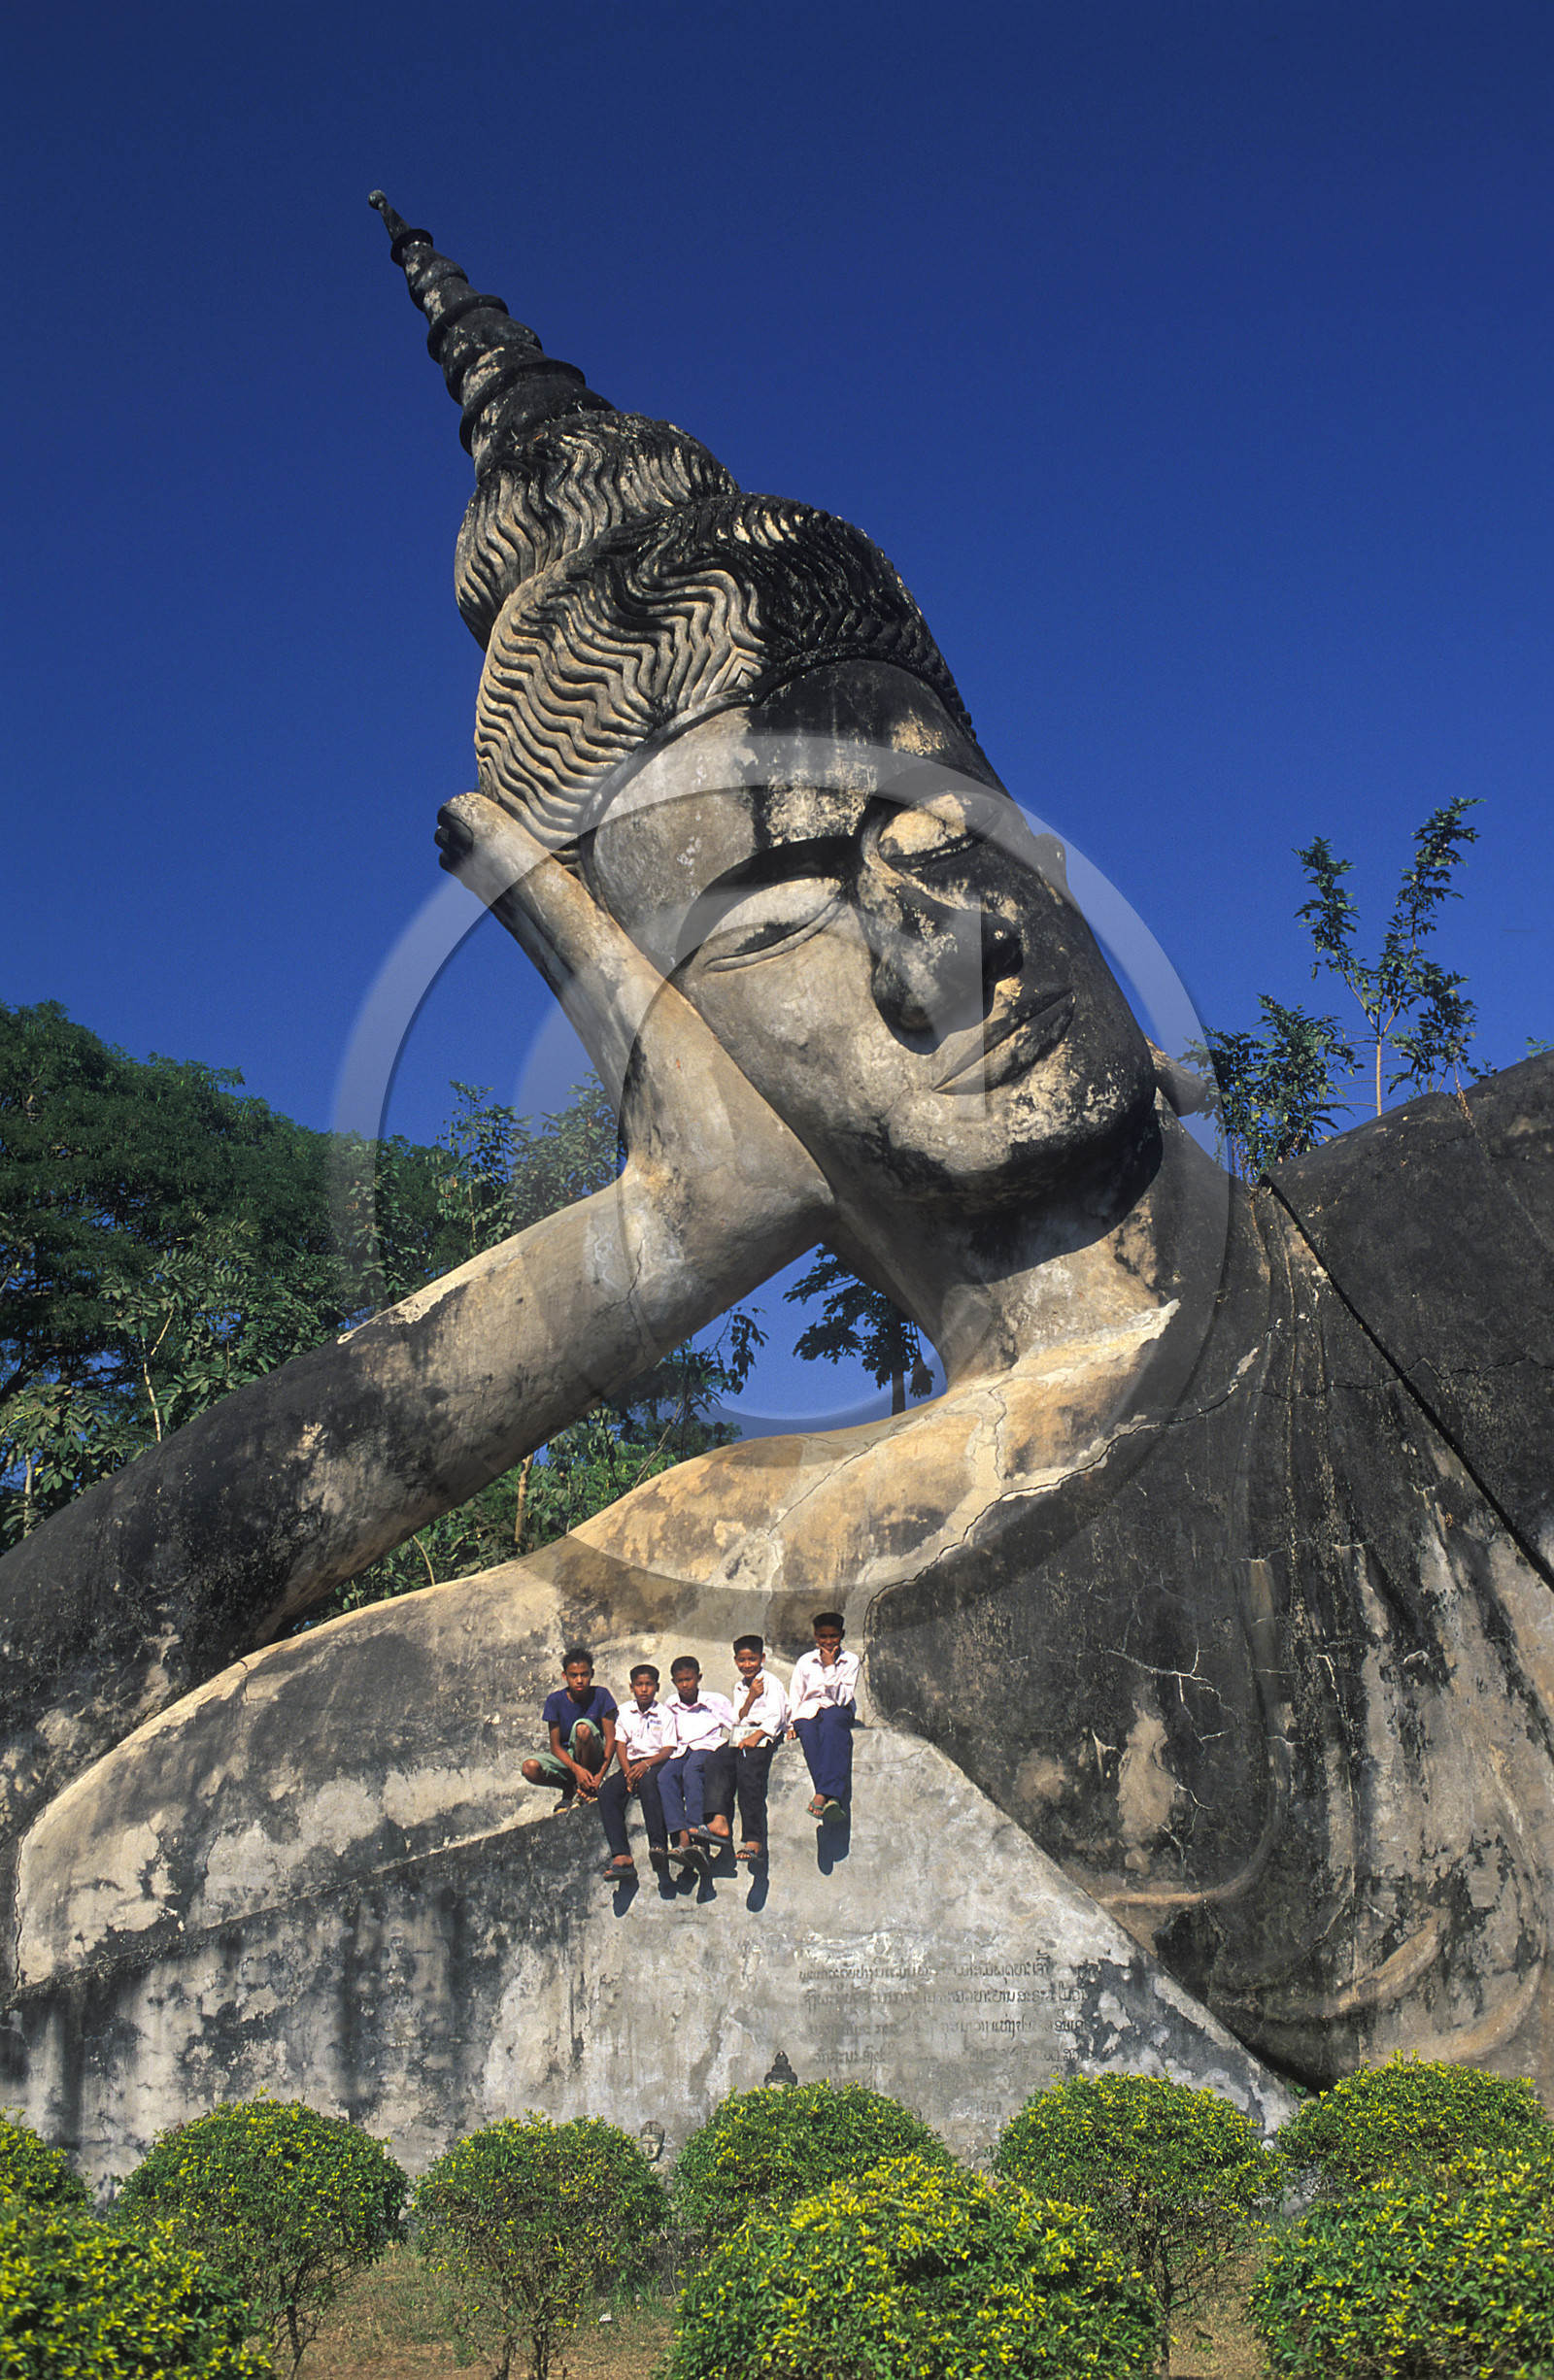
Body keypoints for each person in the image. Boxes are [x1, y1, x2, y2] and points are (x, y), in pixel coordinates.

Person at [596, 1662, 672, 1879]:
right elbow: (620, 1744)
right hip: (631, 1765)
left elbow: (669, 1748)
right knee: (607, 1792)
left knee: (649, 1784)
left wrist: (647, 1765)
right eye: (639, 1685)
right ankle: (621, 1855)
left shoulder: (664, 1714)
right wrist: (628, 1773)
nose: (644, 1689)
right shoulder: (624, 1712)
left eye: (649, 1684)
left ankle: (658, 1845)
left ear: (657, 1687)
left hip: (656, 1763)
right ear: (631, 1687)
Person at [659, 1657, 735, 1869]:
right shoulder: (671, 1704)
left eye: (689, 1679)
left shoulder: (715, 1701)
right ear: (673, 1682)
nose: (685, 1685)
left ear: (698, 1678)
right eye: (680, 1681)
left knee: (692, 1771)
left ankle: (696, 1832)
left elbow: (735, 1725)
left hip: (707, 1746)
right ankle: (681, 1835)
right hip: (682, 1749)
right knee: (665, 1777)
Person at [788, 1613, 860, 1826]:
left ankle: (821, 1794)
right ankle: (832, 1798)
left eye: (833, 1636)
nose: (828, 1642)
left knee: (831, 1725)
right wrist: (791, 1723)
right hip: (809, 1710)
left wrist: (830, 1666)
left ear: (842, 1635)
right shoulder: (805, 1661)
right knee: (808, 1733)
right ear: (815, 1636)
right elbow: (796, 1693)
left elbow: (842, 1698)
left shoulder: (850, 1661)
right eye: (823, 1637)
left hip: (837, 1708)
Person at [522, 1649, 617, 1810]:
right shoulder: (555, 1700)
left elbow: (611, 1740)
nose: (579, 1680)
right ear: (564, 1676)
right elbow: (555, 1747)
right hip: (568, 1759)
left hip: (594, 1755)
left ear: (592, 1674)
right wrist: (576, 1769)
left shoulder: (601, 1695)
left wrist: (599, 1776)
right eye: (573, 1675)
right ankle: (569, 1788)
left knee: (583, 1729)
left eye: (584, 1675)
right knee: (529, 1767)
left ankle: (588, 1789)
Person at [726, 1634, 790, 1864]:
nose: (747, 1665)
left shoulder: (771, 1682)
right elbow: (737, 1718)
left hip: (764, 1734)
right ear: (736, 1660)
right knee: (715, 1762)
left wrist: (757, 1735)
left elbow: (777, 1716)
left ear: (762, 1658)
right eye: (742, 1660)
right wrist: (751, 1697)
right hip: (743, 1733)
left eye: (752, 1659)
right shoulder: (740, 1686)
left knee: (749, 1773)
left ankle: (753, 1839)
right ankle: (717, 1823)